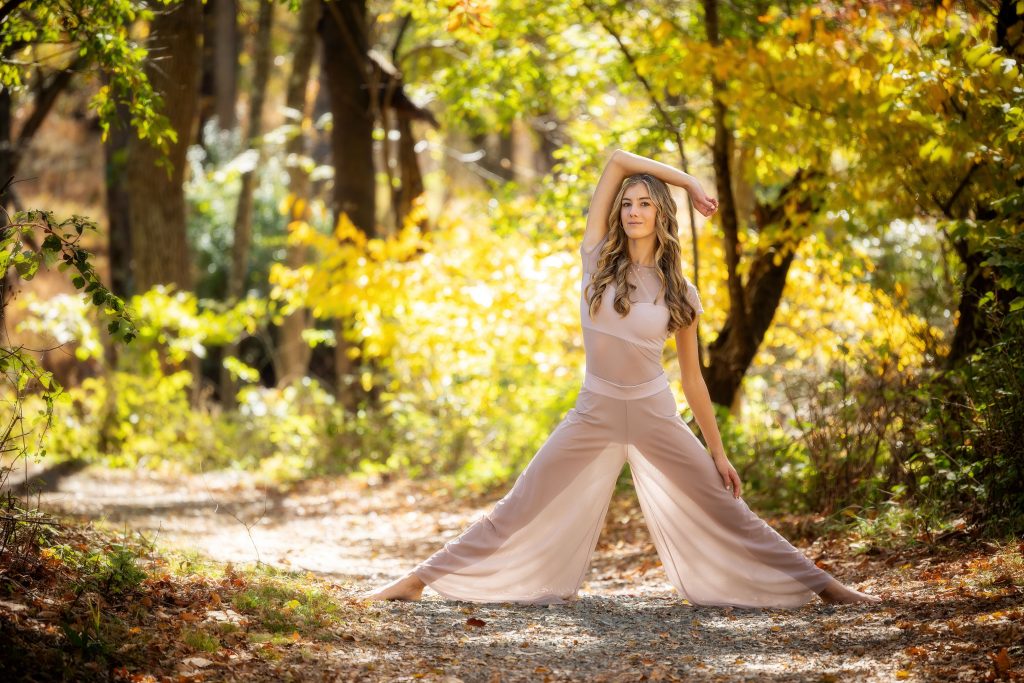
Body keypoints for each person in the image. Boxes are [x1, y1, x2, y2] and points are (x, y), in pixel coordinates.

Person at [362, 149, 882, 607]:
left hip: (657, 413)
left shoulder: (681, 291)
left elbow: (694, 380)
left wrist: (718, 452)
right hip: (595, 410)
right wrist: (688, 181)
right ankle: (418, 579)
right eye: (627, 204)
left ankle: (824, 585)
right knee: (518, 503)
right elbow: (616, 160)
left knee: (729, 509)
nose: (633, 212)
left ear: (661, 216)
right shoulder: (595, 260)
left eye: (645, 204)